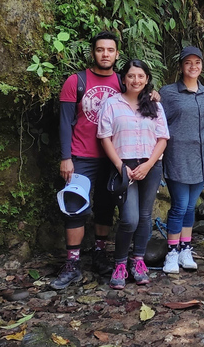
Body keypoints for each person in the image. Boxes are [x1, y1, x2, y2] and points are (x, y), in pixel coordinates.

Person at [52, 31, 121, 290]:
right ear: (93, 52)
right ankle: (72, 263)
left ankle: (100, 255)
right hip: (81, 156)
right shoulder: (76, 81)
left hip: (112, 157)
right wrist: (65, 158)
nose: (105, 54)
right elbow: (65, 123)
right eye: (101, 49)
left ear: (116, 54)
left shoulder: (123, 82)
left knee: (105, 206)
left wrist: (154, 96)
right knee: (74, 207)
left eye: (110, 50)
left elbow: (140, 104)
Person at [97, 59, 169, 289]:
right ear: (124, 78)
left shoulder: (155, 105)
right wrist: (120, 167)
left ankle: (138, 260)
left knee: (146, 216)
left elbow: (163, 138)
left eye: (140, 76)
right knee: (129, 219)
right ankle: (119, 263)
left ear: (147, 79)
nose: (136, 80)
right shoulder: (111, 104)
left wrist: (148, 165)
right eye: (131, 76)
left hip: (150, 165)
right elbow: (104, 137)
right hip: (123, 165)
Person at [158, 47, 204, 274]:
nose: (193, 66)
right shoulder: (168, 93)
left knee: (191, 206)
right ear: (181, 66)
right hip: (177, 154)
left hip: (201, 156)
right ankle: (171, 253)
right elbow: (154, 117)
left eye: (197, 62)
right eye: (188, 62)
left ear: (202, 65)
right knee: (180, 205)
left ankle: (186, 248)